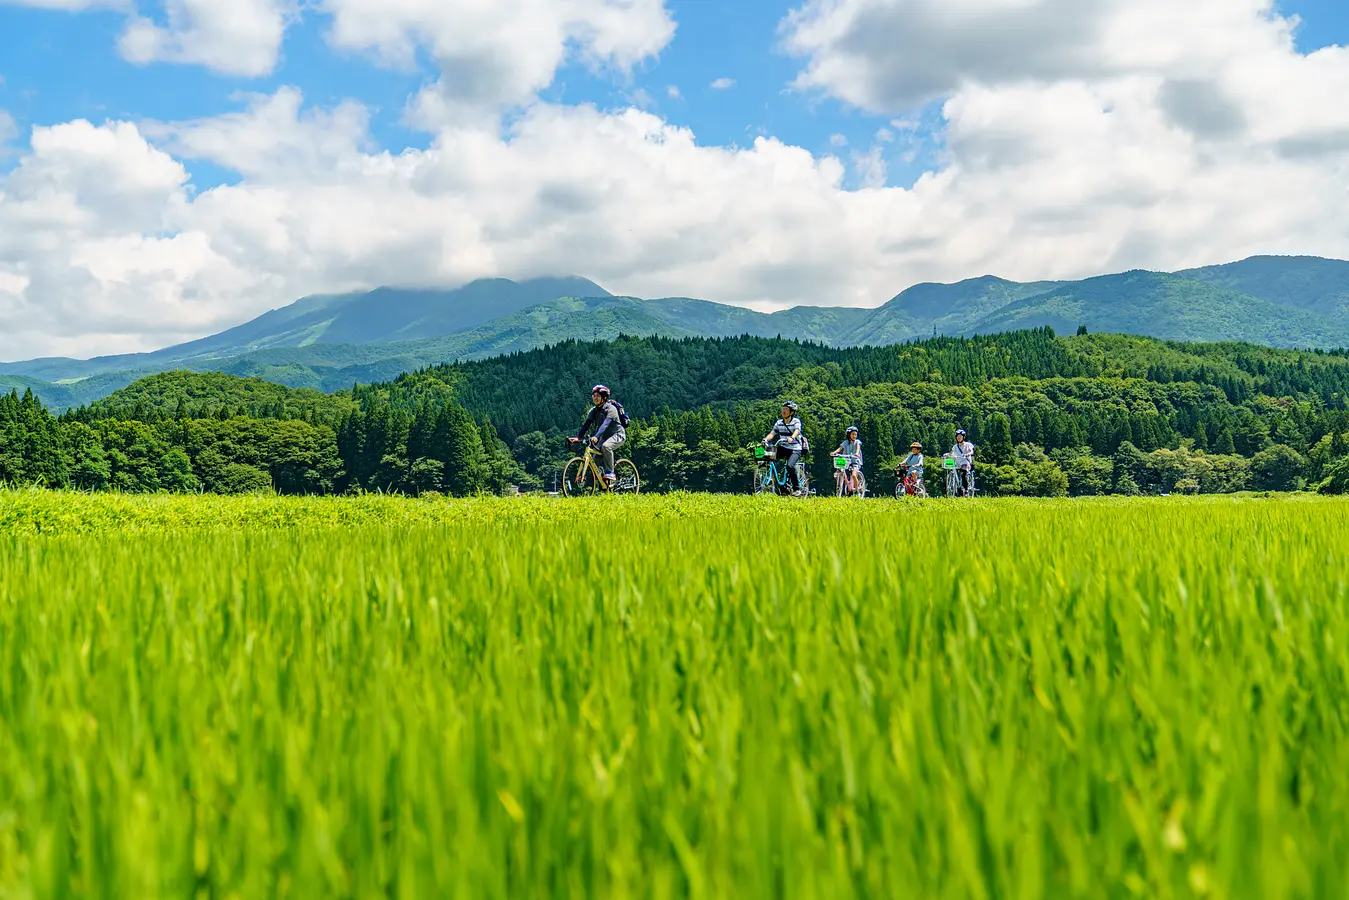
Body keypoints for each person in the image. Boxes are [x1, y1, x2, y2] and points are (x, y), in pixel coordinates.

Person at [569, 384, 625, 484]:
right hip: (605, 437)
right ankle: (603, 481)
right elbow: (586, 425)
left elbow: (605, 425)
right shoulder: (593, 411)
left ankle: (610, 472)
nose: (595, 398)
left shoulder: (611, 409)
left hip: (617, 434)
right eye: (594, 395)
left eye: (598, 396)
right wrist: (578, 437)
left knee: (606, 446)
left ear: (604, 397)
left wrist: (596, 436)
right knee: (595, 456)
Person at [762, 401, 805, 495]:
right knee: (768, 456)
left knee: (790, 466)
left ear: (791, 412)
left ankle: (797, 488)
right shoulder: (779, 423)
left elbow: (797, 430)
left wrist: (792, 437)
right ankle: (782, 486)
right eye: (783, 409)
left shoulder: (796, 421)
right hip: (783, 447)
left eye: (786, 409)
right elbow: (772, 434)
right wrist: (765, 440)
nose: (783, 411)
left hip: (795, 449)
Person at [831, 425, 863, 494]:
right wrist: (834, 452)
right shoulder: (845, 442)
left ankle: (857, 491)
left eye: (855, 434)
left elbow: (858, 447)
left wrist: (857, 453)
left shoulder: (857, 442)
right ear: (849, 435)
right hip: (847, 461)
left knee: (854, 475)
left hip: (855, 462)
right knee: (840, 469)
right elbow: (840, 448)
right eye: (853, 434)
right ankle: (840, 487)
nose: (854, 436)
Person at [951, 428, 976, 497]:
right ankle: (958, 489)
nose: (959, 438)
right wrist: (949, 455)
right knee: (954, 473)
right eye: (957, 436)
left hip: (965, 462)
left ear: (963, 437)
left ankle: (966, 489)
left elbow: (971, 451)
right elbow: (952, 453)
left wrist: (968, 454)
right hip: (957, 463)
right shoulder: (955, 446)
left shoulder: (968, 445)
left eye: (960, 436)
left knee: (964, 473)